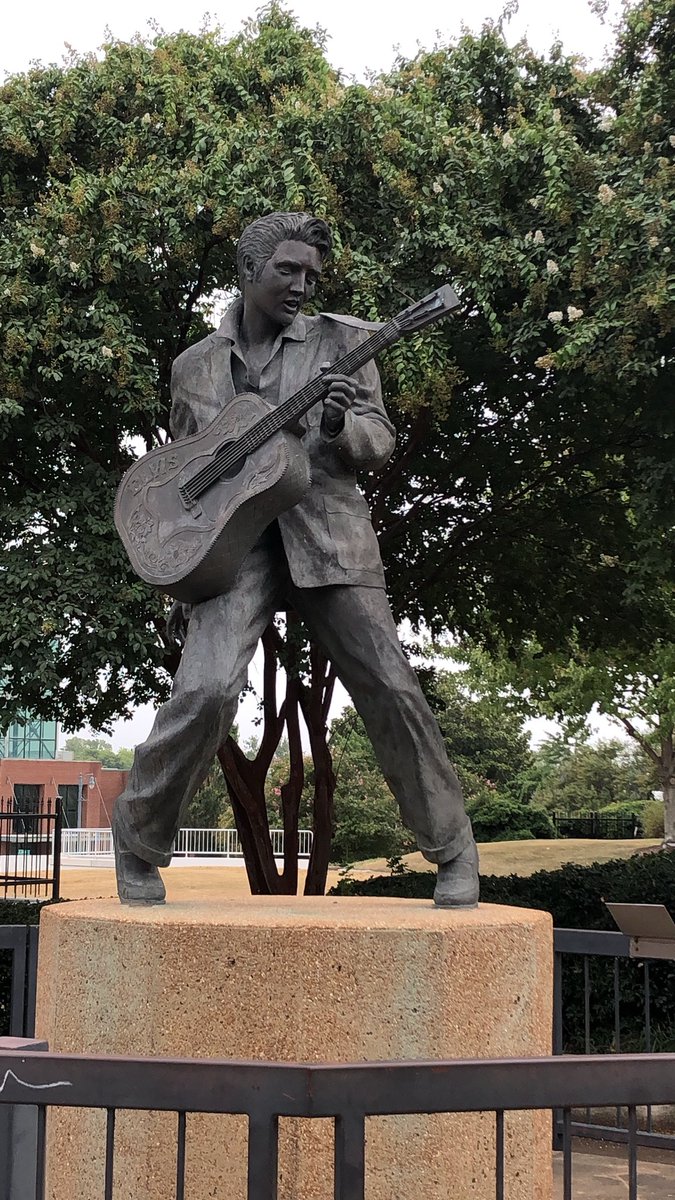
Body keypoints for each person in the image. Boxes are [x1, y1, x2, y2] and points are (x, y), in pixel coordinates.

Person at [112, 211, 479, 908]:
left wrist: (341, 425)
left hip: (328, 535)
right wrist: (178, 584)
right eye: (288, 270)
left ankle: (453, 849)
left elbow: (376, 440)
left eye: (312, 274)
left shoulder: (345, 341)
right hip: (230, 550)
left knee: (390, 686)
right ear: (248, 271)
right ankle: (136, 840)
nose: (302, 285)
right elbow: (186, 466)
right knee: (205, 692)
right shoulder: (193, 364)